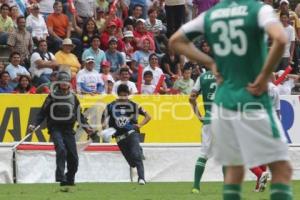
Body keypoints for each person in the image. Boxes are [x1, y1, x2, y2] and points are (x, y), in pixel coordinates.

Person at [169, 1, 293, 199]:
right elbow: (280, 38)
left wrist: (210, 62)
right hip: (252, 98)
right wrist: (264, 76)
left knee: (234, 171)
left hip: (223, 103)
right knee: (281, 169)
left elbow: (175, 41)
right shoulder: (258, 9)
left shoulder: (212, 14)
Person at [28, 71, 94, 187]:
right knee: (61, 149)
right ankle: (60, 176)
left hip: (69, 129)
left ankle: (70, 178)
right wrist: (34, 124)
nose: (64, 83)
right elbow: (42, 113)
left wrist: (86, 127)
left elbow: (79, 115)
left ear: (69, 83)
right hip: (55, 128)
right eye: (62, 81)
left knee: (73, 156)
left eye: (66, 81)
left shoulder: (73, 97)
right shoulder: (52, 96)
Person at [101, 84, 151, 185]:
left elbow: (148, 116)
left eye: (125, 95)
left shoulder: (134, 105)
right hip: (119, 138)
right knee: (132, 163)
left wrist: (140, 125)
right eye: (121, 96)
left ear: (128, 95)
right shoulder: (110, 106)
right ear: (118, 95)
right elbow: (102, 120)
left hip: (131, 133)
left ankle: (141, 179)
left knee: (136, 156)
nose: (123, 98)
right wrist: (105, 127)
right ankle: (139, 152)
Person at [189, 69, 217, 194]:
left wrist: (199, 116)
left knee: (203, 154)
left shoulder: (203, 77)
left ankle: (196, 186)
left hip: (209, 119)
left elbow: (191, 98)